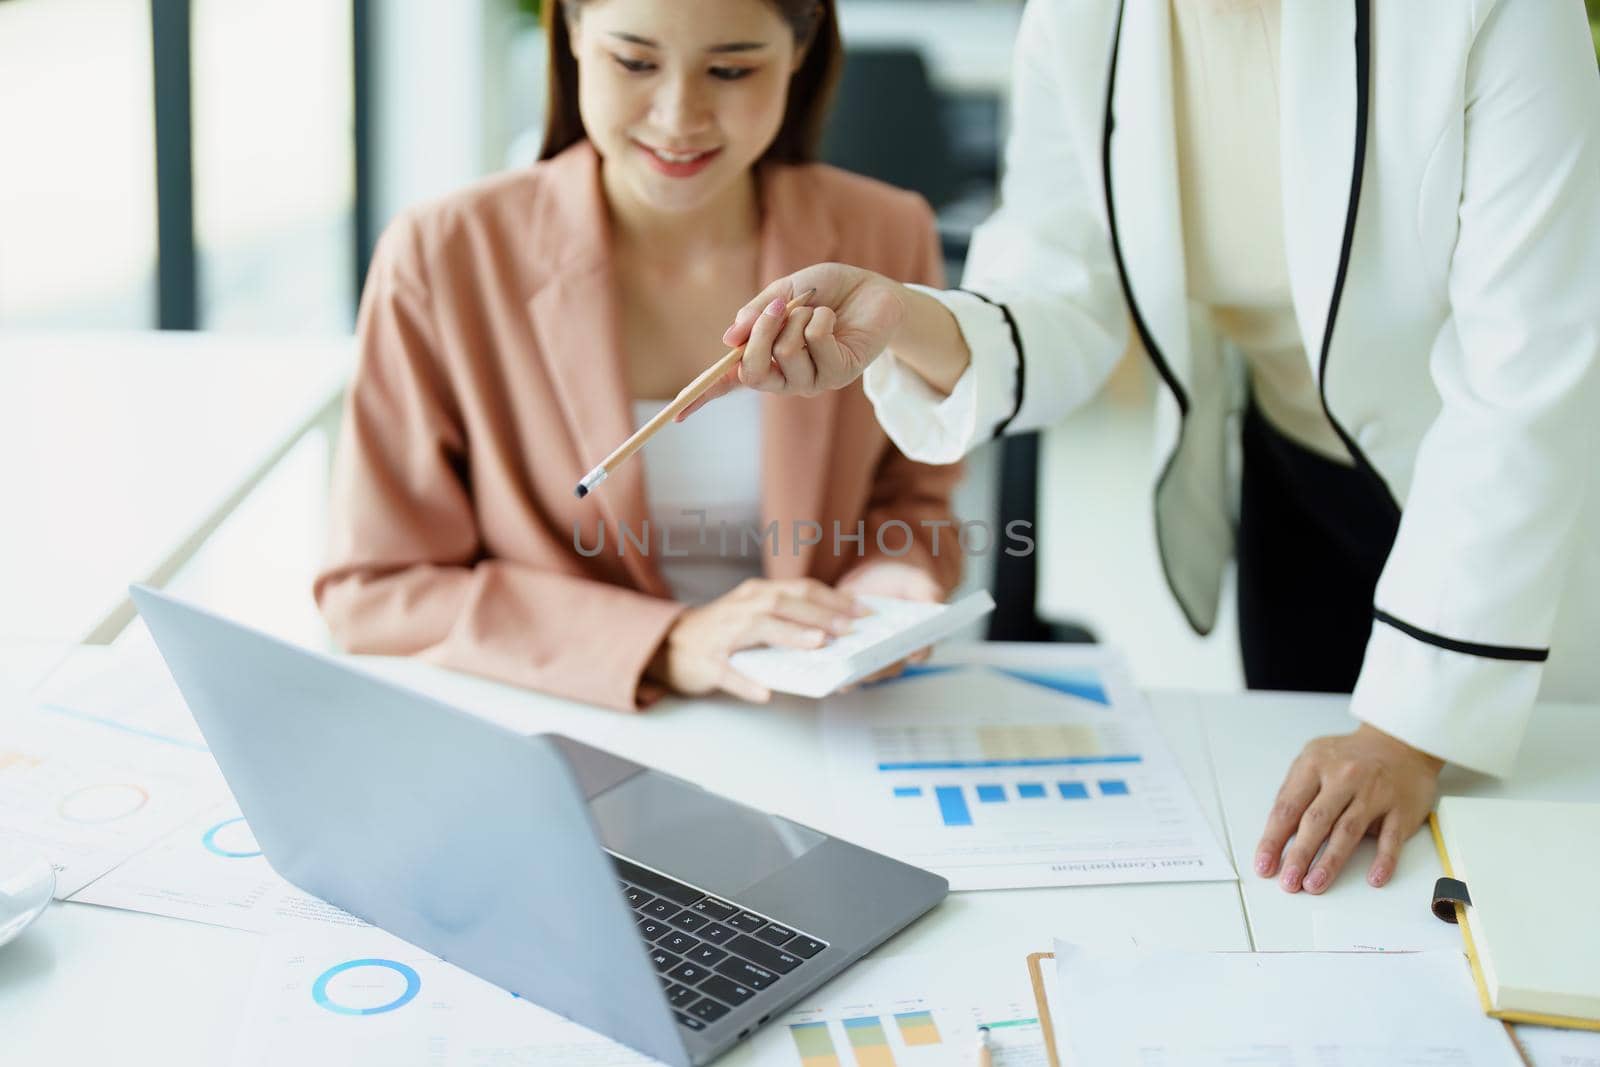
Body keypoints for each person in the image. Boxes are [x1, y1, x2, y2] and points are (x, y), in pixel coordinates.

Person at [693, 0, 1600, 893]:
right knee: (1327, 890)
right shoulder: (1082, 17)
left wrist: (1408, 731)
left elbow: (1523, 373)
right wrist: (909, 320)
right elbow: (1062, 290)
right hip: (1293, 470)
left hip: (1512, 513)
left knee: (1514, 889)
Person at [314, 0, 963, 712]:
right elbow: (376, 591)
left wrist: (894, 567)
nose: (680, 115)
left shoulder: (886, 233)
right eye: (634, 61)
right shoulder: (442, 257)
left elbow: (913, 497)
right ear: (571, 34)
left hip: (822, 721)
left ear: (800, 49)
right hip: (570, 720)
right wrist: (668, 641)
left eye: (731, 69)